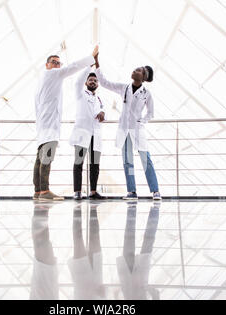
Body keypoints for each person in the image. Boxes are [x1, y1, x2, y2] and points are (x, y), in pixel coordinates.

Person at [33, 46, 99, 201]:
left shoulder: (42, 79)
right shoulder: (52, 74)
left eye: (58, 63)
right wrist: (91, 58)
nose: (57, 65)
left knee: (40, 157)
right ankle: (44, 191)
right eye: (54, 62)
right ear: (47, 65)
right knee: (47, 156)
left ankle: (37, 191)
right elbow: (73, 67)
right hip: (49, 124)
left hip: (43, 122)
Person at [94, 55, 162, 201]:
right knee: (128, 161)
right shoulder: (124, 88)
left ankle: (155, 191)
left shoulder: (147, 94)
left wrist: (141, 122)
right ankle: (132, 191)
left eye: (139, 70)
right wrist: (97, 62)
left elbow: (150, 113)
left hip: (137, 130)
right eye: (136, 69)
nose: (135, 70)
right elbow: (105, 83)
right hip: (125, 130)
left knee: (146, 160)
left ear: (143, 77)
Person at [69, 68, 107, 200]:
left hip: (95, 134)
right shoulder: (80, 93)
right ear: (86, 82)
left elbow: (103, 110)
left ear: (98, 84)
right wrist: (89, 66)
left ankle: (93, 191)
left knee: (95, 164)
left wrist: (103, 113)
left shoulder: (99, 99)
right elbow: (77, 81)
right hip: (82, 133)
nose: (93, 82)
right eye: (90, 80)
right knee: (78, 162)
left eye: (95, 80)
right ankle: (77, 192)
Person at [116, 202, 160, 300]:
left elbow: (156, 294)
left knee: (142, 240)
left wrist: (147, 288)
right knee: (132, 239)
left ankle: (151, 212)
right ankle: (137, 211)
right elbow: (156, 295)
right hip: (134, 280)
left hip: (133, 279)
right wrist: (146, 288)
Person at [67, 203, 105, 299]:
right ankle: (92, 208)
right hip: (95, 281)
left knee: (78, 238)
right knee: (94, 236)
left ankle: (77, 208)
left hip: (82, 283)